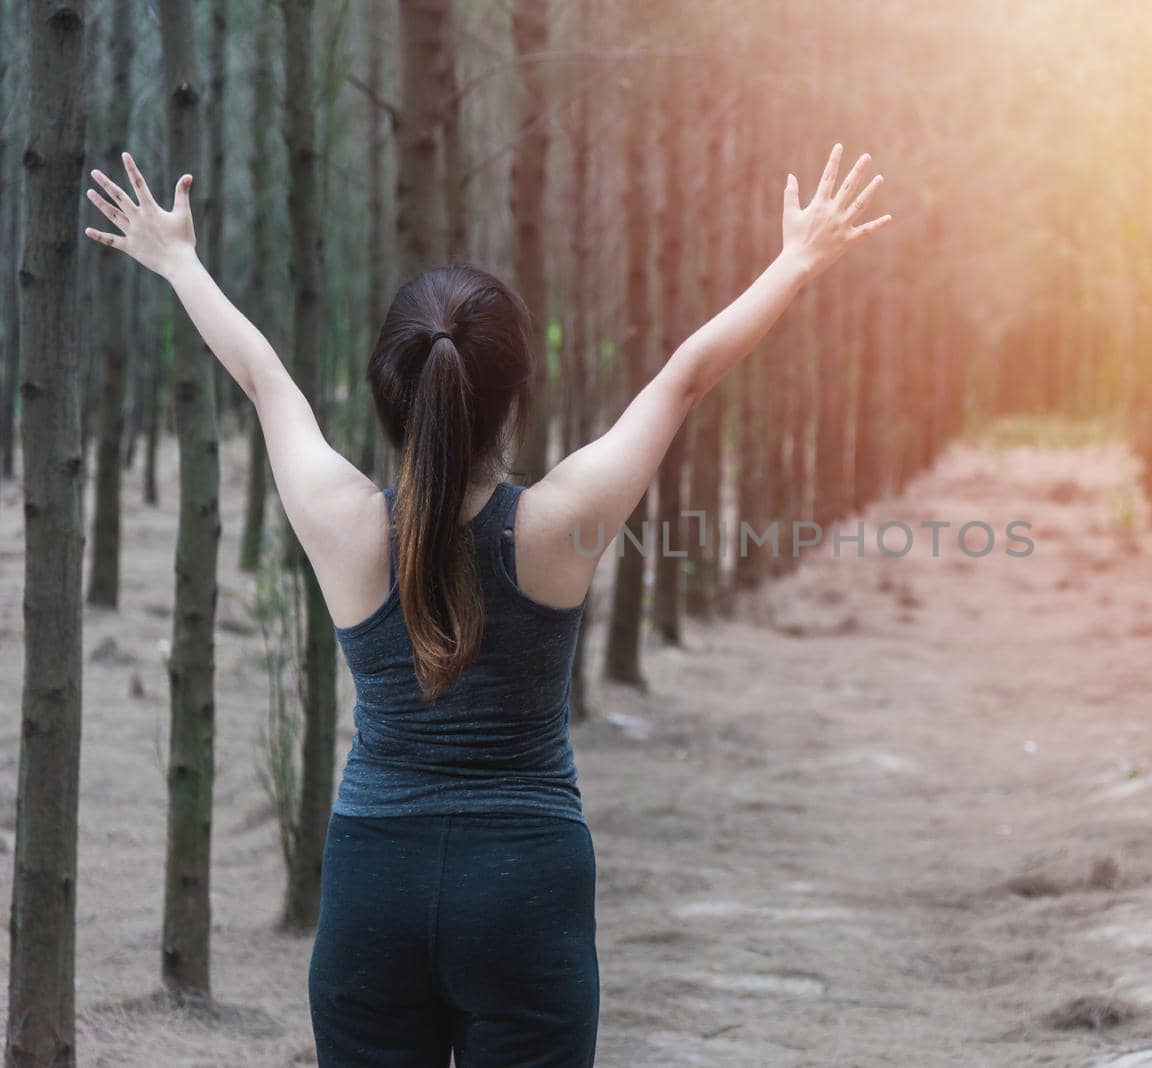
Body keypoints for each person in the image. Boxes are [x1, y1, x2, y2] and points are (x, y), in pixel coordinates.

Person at [84, 142, 890, 1066]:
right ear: (512, 398)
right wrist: (794, 260)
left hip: (373, 884)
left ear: (392, 397)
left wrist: (180, 260)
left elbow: (267, 381)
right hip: (527, 886)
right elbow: (684, 376)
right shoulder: (557, 523)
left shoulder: (345, 526)